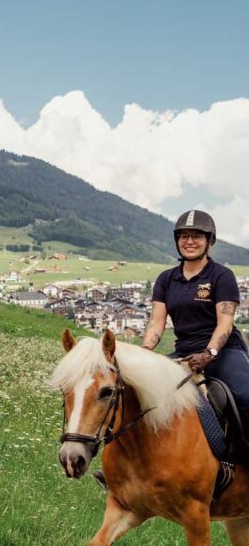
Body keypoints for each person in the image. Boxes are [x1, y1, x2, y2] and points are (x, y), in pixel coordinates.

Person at [94, 210, 249, 490]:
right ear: (177, 241)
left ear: (209, 241)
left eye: (197, 236)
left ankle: (242, 459)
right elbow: (156, 323)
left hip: (223, 352)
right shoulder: (166, 279)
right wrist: (142, 354)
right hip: (183, 353)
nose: (190, 241)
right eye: (184, 236)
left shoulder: (221, 276)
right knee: (135, 394)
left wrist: (210, 353)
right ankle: (120, 467)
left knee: (246, 395)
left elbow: (225, 323)